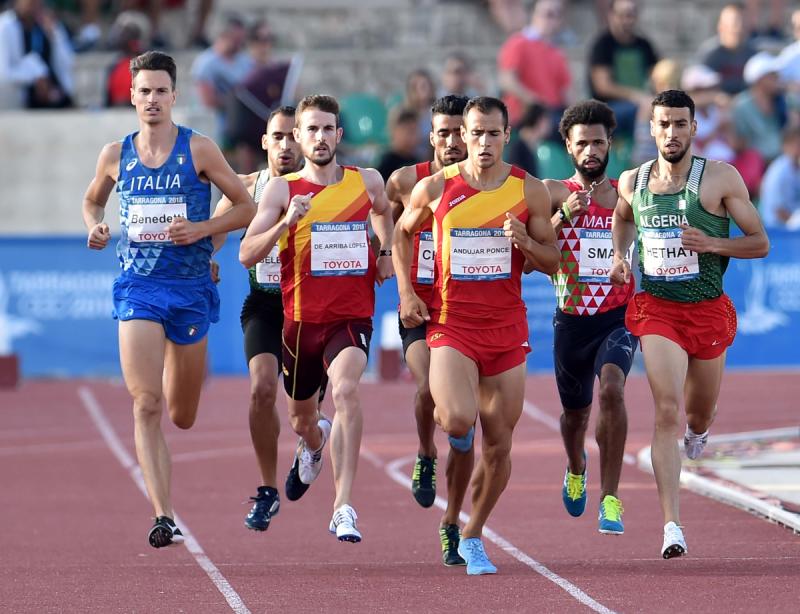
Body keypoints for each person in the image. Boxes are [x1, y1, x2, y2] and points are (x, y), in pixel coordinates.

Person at [81, 51, 256, 548]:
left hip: (190, 290)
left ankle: (173, 370)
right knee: (145, 403)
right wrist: (94, 224)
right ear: (132, 96)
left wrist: (202, 228)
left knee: (182, 412)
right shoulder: (115, 154)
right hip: (138, 287)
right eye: (144, 91)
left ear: (174, 96)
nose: (152, 99)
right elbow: (93, 198)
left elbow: (245, 206)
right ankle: (163, 515)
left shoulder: (199, 150)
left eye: (161, 91)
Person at [394, 96, 559, 574]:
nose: (484, 143)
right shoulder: (435, 187)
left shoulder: (528, 192)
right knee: (460, 421)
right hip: (453, 326)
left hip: (507, 330)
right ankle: (450, 453)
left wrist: (525, 241)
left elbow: (553, 263)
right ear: (460, 136)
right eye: (475, 133)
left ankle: (470, 532)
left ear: (506, 136)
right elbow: (403, 234)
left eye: (493, 133)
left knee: (501, 446)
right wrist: (407, 292)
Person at [610, 89, 769, 558]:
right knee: (665, 410)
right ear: (652, 129)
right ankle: (671, 526)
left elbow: (759, 242)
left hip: (706, 310)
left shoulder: (719, 179)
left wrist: (712, 244)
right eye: (664, 124)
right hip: (658, 309)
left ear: (694, 128)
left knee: (696, 415)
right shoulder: (633, 181)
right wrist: (621, 256)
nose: (672, 133)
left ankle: (699, 432)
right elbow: (623, 219)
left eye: (681, 124)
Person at [239, 94, 395, 543]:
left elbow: (384, 213)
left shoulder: (365, 181)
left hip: (350, 319)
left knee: (346, 391)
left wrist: (384, 251)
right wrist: (285, 223)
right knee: (302, 420)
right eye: (312, 129)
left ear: (339, 135)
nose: (321, 137)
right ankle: (312, 445)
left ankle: (342, 506)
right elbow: (247, 252)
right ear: (299, 136)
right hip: (301, 324)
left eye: (328, 129)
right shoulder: (282, 190)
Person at [385, 94, 472, 566]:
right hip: (420, 307)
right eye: (444, 132)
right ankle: (424, 452)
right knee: (428, 388)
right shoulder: (406, 182)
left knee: (469, 424)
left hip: (465, 311)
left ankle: (455, 521)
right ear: (431, 136)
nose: (454, 141)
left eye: (462, 131)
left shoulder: (485, 182)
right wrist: (403, 292)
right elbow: (390, 230)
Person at [543, 100, 637, 536]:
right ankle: (576, 464)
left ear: (610, 144)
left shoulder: (627, 194)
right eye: (583, 143)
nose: (591, 150)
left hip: (617, 317)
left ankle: (611, 497)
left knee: (614, 391)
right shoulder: (553, 191)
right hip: (571, 322)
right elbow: (527, 238)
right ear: (568, 146)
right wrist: (564, 216)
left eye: (598, 142)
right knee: (575, 416)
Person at [210, 106, 303, 532]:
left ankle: (313, 446)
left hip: (311, 309)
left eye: (292, 136)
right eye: (277, 137)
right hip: (265, 303)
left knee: (306, 415)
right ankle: (268, 490)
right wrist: (206, 256)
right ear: (265, 142)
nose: (285, 146)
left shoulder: (321, 188)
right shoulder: (246, 188)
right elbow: (215, 230)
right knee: (262, 389)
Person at [587, 0, 658, 138]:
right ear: (611, 16)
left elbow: (656, 75)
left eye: (630, 15)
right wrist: (636, 96)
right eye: (622, 15)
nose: (626, 20)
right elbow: (603, 86)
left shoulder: (644, 45)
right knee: (648, 107)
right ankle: (642, 153)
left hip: (642, 103)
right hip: (609, 108)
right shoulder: (602, 44)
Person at [497, 0, 571, 129]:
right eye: (547, 14)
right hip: (525, 116)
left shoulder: (557, 53)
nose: (550, 19)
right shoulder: (517, 43)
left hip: (552, 114)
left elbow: (567, 92)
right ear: (533, 15)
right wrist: (536, 102)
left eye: (555, 15)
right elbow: (507, 81)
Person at [0, 0, 74, 109]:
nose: (34, 5)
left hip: (53, 91)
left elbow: (67, 64)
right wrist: (36, 76)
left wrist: (55, 35)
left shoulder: (47, 25)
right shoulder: (5, 27)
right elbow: (3, 74)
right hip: (20, 94)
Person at [695, 4, 756, 97]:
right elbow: (696, 90)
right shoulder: (710, 54)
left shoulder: (753, 54)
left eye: (743, 23)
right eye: (735, 24)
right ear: (721, 27)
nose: (739, 29)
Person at [758, 126, 800, 229]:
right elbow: (778, 211)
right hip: (777, 231)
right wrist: (795, 224)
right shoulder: (778, 172)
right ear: (785, 146)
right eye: (797, 144)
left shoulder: (796, 167)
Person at [376, 107, 421, 181]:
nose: (413, 137)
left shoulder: (416, 161)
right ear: (394, 131)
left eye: (415, 131)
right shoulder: (386, 162)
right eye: (409, 131)